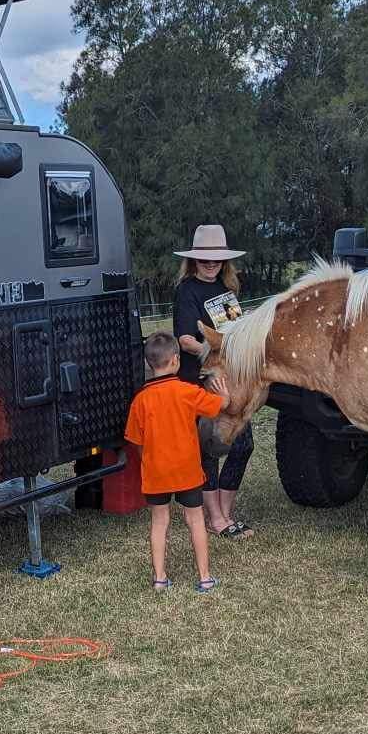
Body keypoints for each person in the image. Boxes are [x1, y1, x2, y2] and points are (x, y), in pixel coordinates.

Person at [124, 332, 226, 593]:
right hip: (187, 472)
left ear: (150, 363)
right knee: (196, 520)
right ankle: (204, 578)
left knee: (159, 522)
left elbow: (135, 440)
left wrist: (148, 460)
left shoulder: (140, 401)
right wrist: (224, 396)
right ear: (175, 360)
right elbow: (217, 407)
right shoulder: (188, 392)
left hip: (156, 473)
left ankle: (160, 578)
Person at [171, 223, 254, 539]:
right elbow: (185, 339)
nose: (210, 262)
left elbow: (235, 333)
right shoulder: (187, 290)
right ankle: (217, 518)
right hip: (198, 381)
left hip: (227, 380)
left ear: (224, 260)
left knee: (242, 443)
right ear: (194, 260)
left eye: (216, 257)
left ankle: (224, 512)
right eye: (205, 257)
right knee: (210, 447)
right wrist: (212, 350)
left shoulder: (227, 290)